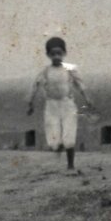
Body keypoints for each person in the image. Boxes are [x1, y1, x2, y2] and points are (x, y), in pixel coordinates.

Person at [26, 38, 92, 173]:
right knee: (53, 139)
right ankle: (57, 146)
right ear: (48, 55)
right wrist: (30, 103)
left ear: (64, 53)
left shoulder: (70, 69)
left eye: (59, 53)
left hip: (67, 104)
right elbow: (35, 86)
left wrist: (87, 99)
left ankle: (70, 165)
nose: (56, 57)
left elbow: (80, 84)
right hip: (51, 106)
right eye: (53, 54)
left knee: (69, 134)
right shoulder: (45, 71)